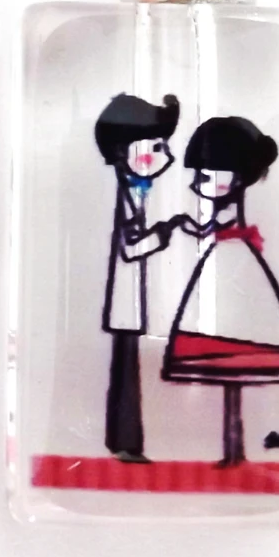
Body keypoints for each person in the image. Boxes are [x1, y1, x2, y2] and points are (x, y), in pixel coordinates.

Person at [162, 116, 279, 467]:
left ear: (236, 178)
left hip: (232, 264)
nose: (198, 185)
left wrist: (191, 227)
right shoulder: (222, 217)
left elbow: (217, 226)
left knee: (233, 354)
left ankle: (235, 451)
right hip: (226, 261)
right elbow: (208, 226)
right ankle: (232, 450)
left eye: (206, 177)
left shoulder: (229, 221)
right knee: (227, 367)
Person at [94, 94, 180, 463]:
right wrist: (163, 234)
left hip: (129, 301)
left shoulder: (134, 192)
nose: (166, 156)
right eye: (157, 147)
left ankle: (124, 442)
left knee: (126, 370)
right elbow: (130, 248)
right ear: (128, 151)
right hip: (124, 303)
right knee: (126, 373)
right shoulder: (129, 194)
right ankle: (126, 443)